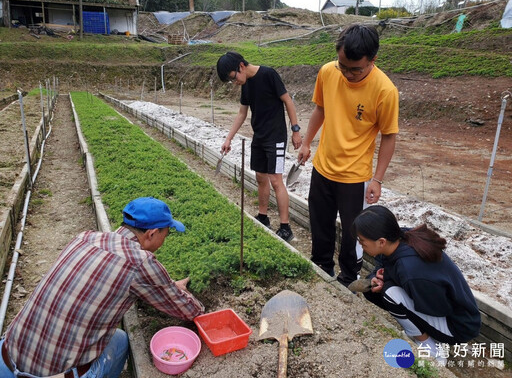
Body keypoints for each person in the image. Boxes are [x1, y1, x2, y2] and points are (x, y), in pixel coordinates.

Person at [0, 197, 205, 378]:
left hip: (6, 357)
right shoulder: (140, 262)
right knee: (121, 341)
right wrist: (181, 295)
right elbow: (189, 310)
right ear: (151, 234)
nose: (164, 241)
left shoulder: (86, 237)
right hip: (53, 375)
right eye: (166, 235)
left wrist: (166, 286)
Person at [297, 24, 399, 286]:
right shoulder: (328, 72)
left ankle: (347, 278)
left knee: (355, 234)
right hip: (323, 166)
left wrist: (377, 178)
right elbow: (320, 109)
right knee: (320, 222)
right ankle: (321, 265)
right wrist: (307, 143)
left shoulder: (385, 91)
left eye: (356, 69)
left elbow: (389, 136)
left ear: (373, 60)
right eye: (343, 66)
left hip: (355, 176)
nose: (348, 74)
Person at [352, 205, 481, 364]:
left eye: (362, 241)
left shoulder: (409, 270)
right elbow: (383, 266)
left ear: (381, 242)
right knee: (372, 289)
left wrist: (388, 280)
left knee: (389, 294)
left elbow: (439, 308)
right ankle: (426, 334)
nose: (361, 245)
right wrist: (377, 276)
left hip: (458, 326)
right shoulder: (401, 238)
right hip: (452, 311)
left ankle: (432, 350)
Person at [216, 51, 302, 242]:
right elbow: (241, 113)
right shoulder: (246, 84)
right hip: (260, 137)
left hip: (276, 138)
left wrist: (296, 130)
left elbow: (288, 101)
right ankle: (263, 217)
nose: (234, 82)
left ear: (241, 66)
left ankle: (286, 227)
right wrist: (228, 138)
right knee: (261, 177)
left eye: (233, 78)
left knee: (276, 180)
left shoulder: (269, 74)